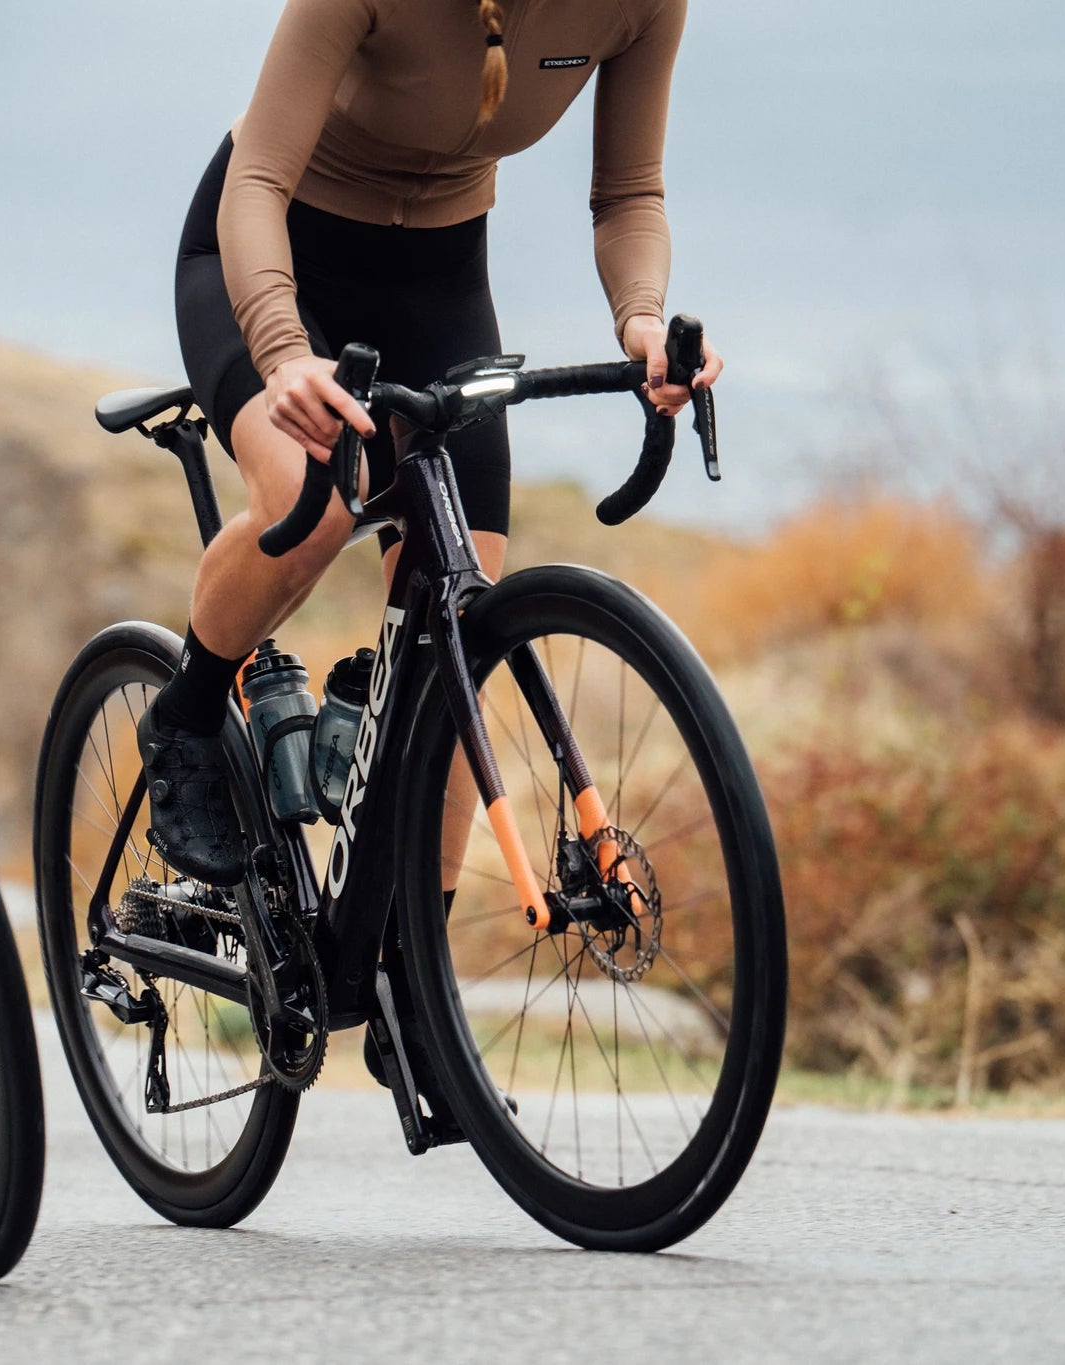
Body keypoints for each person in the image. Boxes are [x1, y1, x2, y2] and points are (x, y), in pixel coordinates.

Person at [144, 0, 723, 883]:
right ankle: (184, 718)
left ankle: (416, 962)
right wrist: (286, 353)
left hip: (438, 282)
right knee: (314, 505)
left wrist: (643, 320)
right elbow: (255, 180)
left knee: (458, 618)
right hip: (271, 254)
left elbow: (630, 195)